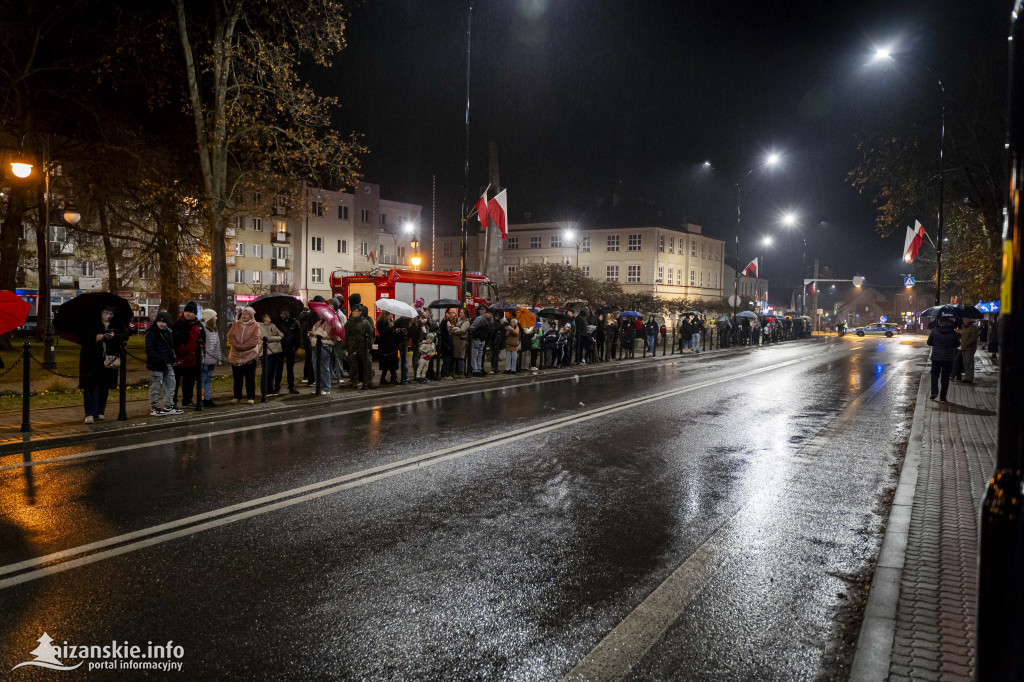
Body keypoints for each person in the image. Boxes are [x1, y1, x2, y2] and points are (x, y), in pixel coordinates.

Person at [78, 305, 129, 424]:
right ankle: (90, 413)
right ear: (100, 312)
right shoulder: (90, 323)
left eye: (111, 314)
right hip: (91, 360)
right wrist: (95, 337)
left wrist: (114, 337)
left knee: (104, 386)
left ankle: (100, 411)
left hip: (108, 360)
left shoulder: (117, 324)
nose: (108, 316)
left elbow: (125, 335)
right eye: (106, 313)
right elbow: (81, 338)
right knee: (91, 386)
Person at [172, 301, 206, 408]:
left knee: (190, 381)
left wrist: (201, 349)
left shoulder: (198, 325)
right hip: (179, 358)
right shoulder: (178, 324)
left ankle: (187, 399)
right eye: (186, 311)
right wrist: (182, 350)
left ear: (195, 313)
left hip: (193, 359)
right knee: (175, 382)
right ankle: (172, 401)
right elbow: (175, 340)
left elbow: (203, 338)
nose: (188, 314)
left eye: (191, 312)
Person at [146, 311, 181, 416]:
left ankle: (169, 405)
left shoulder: (168, 332)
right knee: (156, 386)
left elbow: (170, 346)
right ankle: (155, 407)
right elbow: (149, 349)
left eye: (164, 322)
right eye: (160, 321)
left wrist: (171, 357)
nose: (161, 324)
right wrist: (159, 359)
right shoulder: (152, 332)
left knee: (171, 383)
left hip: (167, 362)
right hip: (156, 364)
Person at [227, 306, 260, 404]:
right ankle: (237, 396)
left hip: (249, 356)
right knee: (237, 378)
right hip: (236, 356)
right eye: (243, 313)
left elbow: (254, 340)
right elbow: (230, 336)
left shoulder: (255, 326)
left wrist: (242, 347)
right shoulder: (236, 324)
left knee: (250, 379)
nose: (244, 315)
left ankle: (251, 397)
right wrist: (236, 345)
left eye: (246, 314)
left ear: (251, 316)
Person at [927, 313, 961, 401]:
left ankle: (934, 392)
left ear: (939, 322)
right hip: (948, 358)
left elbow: (929, 343)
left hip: (936, 357)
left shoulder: (934, 331)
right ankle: (943, 396)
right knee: (945, 377)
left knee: (934, 375)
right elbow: (957, 344)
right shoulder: (953, 333)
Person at [343, 305, 373, 389]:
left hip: (363, 346)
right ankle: (354, 381)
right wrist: (345, 348)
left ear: (360, 312)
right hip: (352, 347)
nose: (353, 312)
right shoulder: (349, 323)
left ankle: (368, 380)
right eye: (352, 311)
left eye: (355, 311)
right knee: (353, 365)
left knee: (368, 362)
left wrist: (369, 346)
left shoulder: (365, 322)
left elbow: (370, 334)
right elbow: (345, 336)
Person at [276, 309, 301, 395]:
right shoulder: (278, 323)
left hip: (290, 348)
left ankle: (291, 386)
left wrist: (295, 347)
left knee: (290, 369)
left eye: (284, 313)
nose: (282, 315)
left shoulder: (294, 322)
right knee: (279, 368)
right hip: (281, 348)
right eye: (281, 313)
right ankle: (277, 386)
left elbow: (298, 336)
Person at [258, 312, 284, 396]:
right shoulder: (260, 326)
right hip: (266, 352)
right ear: (264, 317)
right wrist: (278, 338)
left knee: (273, 371)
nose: (270, 317)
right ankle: (264, 390)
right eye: (268, 316)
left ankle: (270, 389)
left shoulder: (273, 325)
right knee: (266, 371)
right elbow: (266, 338)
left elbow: (281, 334)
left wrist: (277, 337)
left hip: (276, 351)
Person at [309, 314, 335, 394]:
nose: (319, 315)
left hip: (324, 347)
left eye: (321, 313)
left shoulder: (330, 323)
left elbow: (326, 334)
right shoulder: (319, 322)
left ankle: (326, 388)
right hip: (315, 346)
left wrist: (315, 333)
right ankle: (319, 387)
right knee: (316, 367)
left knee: (324, 367)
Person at [200, 309, 221, 407]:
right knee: (203, 379)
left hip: (211, 359)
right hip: (204, 360)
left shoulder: (214, 329)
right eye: (214, 316)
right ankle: (202, 398)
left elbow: (217, 345)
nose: (216, 318)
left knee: (208, 379)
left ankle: (207, 398)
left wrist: (218, 358)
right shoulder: (202, 329)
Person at [376, 311, 400, 385]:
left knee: (393, 362)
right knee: (386, 363)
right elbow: (383, 332)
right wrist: (392, 327)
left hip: (392, 345)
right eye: (390, 314)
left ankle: (393, 377)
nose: (391, 315)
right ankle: (387, 378)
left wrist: (396, 331)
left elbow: (392, 331)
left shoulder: (391, 321)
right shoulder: (380, 322)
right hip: (385, 346)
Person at [469, 307, 492, 376]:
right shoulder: (480, 319)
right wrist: (475, 336)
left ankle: (478, 369)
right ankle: (475, 370)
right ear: (487, 313)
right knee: (475, 355)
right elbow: (472, 328)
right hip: (478, 339)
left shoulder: (488, 319)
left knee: (479, 355)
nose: (491, 316)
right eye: (490, 314)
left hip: (482, 339)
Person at [958, 318, 979, 383]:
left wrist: (967, 344)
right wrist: (958, 331)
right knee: (965, 363)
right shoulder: (964, 327)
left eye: (966, 319)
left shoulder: (972, 327)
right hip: (963, 348)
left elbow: (974, 338)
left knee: (969, 362)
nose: (965, 320)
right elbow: (963, 333)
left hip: (969, 348)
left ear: (969, 320)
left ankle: (969, 378)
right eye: (964, 319)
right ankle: (967, 377)